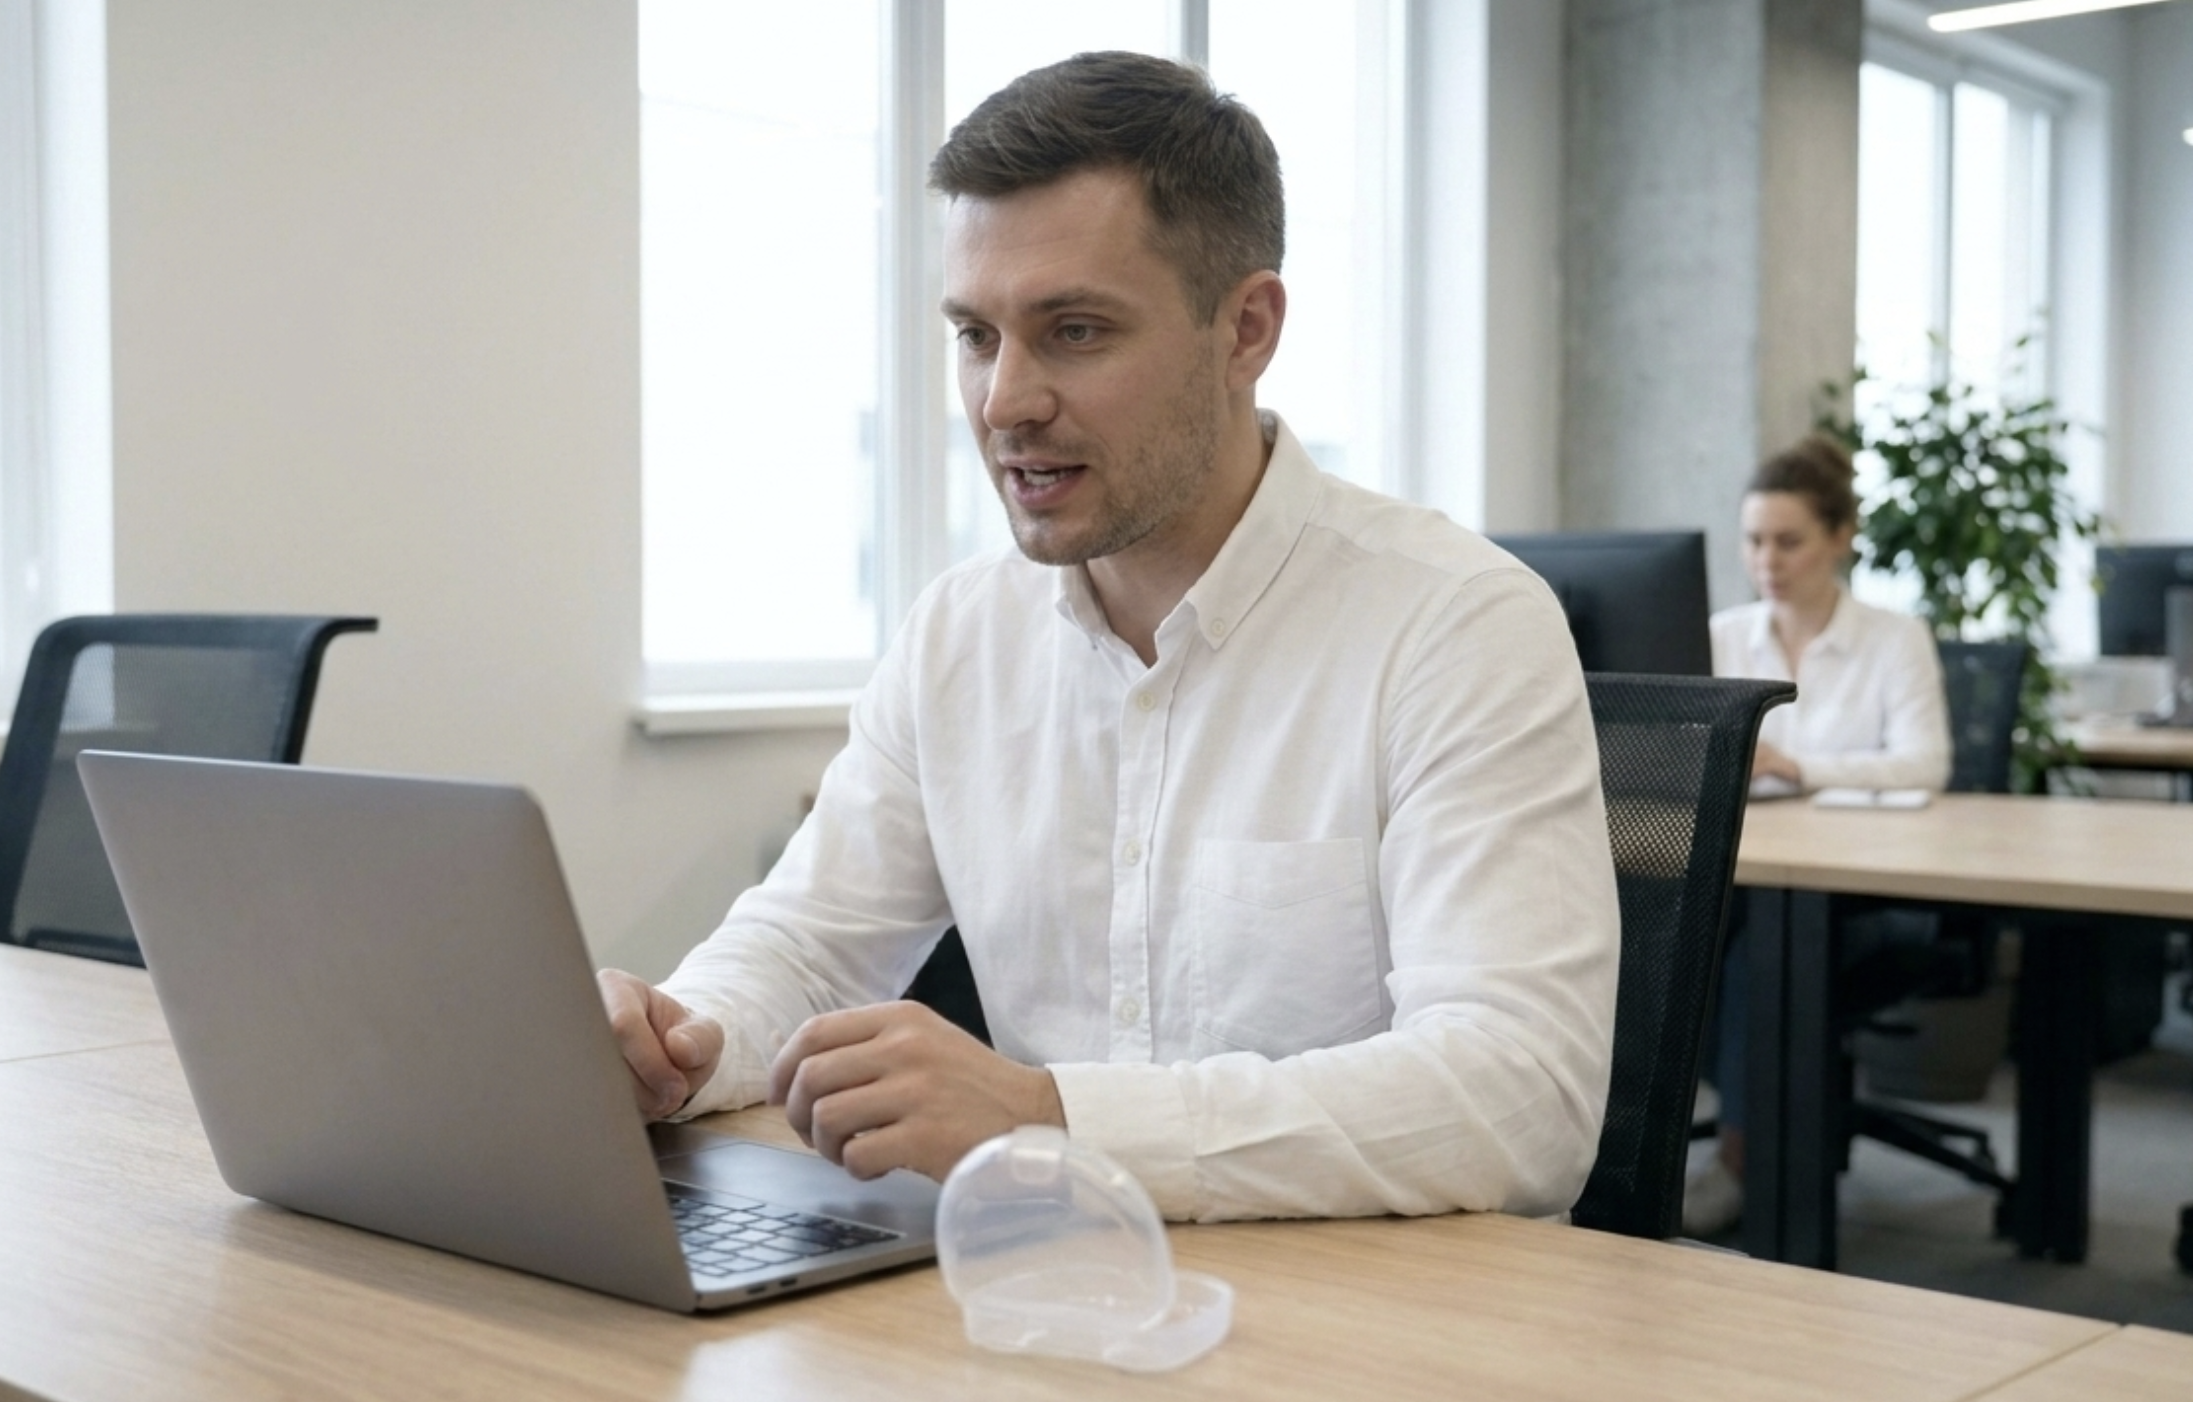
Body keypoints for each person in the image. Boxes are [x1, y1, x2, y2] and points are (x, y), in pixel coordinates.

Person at [600, 52, 1619, 1224]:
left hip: (1365, 1322)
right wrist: (679, 1037)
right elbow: (811, 945)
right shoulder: (956, 638)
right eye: (976, 336)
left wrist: (1049, 1116)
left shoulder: (1453, 623)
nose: (1003, 401)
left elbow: (1516, 1097)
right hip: (1041, 1291)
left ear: (1245, 329)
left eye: (1073, 331)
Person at [1683, 432, 1953, 1237]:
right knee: (1673, 933)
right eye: (1755, 540)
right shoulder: (1721, 634)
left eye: (1790, 540)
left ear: (1840, 538)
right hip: (1747, 865)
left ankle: (1740, 1160)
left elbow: (1923, 763)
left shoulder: (1892, 639)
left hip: (1861, 889)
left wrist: (1795, 765)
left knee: (1742, 950)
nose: (1768, 559)